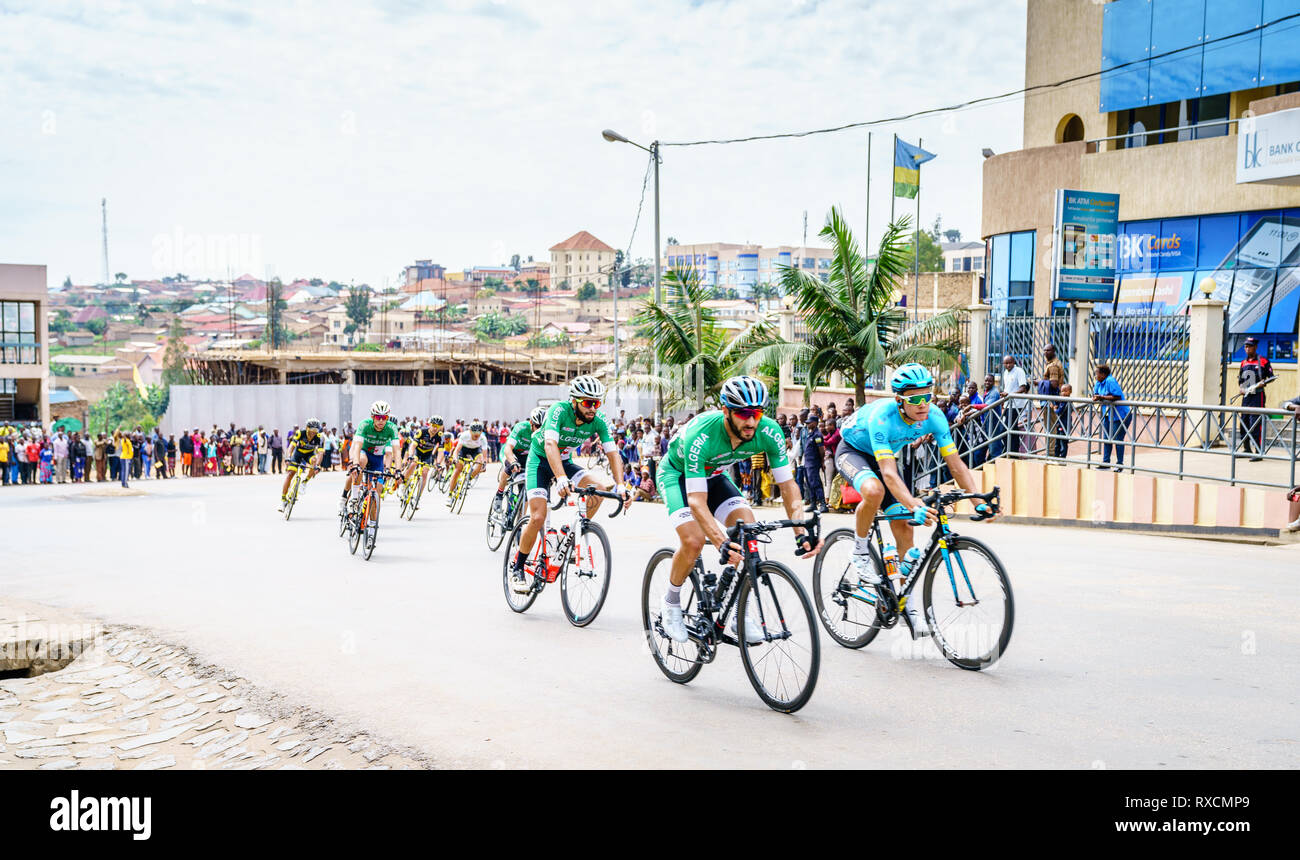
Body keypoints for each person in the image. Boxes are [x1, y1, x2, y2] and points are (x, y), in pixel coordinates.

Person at [654, 376, 819, 644]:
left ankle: (741, 613)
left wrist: (800, 531)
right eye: (743, 414)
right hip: (678, 476)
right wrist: (720, 542)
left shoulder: (769, 431)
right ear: (726, 411)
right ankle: (671, 602)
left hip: (716, 476)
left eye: (756, 413)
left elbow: (788, 486)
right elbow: (697, 500)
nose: (751, 421)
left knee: (748, 531)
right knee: (694, 540)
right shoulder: (702, 434)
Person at [835, 363, 995, 633]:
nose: (923, 404)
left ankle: (903, 603)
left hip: (886, 457)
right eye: (915, 399)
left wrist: (978, 500)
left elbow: (956, 465)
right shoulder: (882, 417)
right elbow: (887, 472)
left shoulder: (934, 416)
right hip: (853, 451)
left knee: (905, 531)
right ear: (899, 401)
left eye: (928, 396)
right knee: (875, 491)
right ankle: (860, 551)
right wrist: (913, 504)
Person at [508, 376, 632, 593]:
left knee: (600, 489)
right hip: (540, 461)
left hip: (564, 462)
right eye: (587, 402)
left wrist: (621, 485)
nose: (593, 408)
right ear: (574, 401)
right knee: (537, 517)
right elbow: (549, 444)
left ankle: (569, 534)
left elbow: (612, 452)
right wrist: (560, 478)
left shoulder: (598, 420)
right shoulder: (559, 410)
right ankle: (518, 567)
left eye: (597, 402)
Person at [340, 401, 399, 521]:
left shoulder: (391, 428)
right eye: (378, 417)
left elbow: (395, 452)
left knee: (377, 491)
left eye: (384, 418)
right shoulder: (365, 425)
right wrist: (355, 464)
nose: (381, 421)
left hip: (377, 459)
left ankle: (372, 526)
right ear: (372, 417)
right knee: (359, 464)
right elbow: (356, 447)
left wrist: (397, 470)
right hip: (362, 451)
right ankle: (353, 498)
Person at [492, 407, 544, 515]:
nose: (539, 430)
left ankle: (519, 526)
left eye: (542, 427)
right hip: (511, 452)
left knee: (525, 493)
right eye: (537, 426)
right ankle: (499, 494)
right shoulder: (521, 427)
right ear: (531, 422)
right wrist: (512, 461)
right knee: (509, 467)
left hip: (526, 457)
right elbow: (508, 448)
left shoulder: (544, 433)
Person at [1238, 336, 1274, 462]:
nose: (1247, 349)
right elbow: (1241, 381)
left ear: (1255, 347)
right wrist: (1241, 389)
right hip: (1246, 397)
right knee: (1244, 422)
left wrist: (1264, 382)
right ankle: (1246, 448)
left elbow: (1271, 377)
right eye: (1246, 346)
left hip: (1258, 396)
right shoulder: (1243, 363)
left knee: (1255, 423)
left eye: (1250, 346)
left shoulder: (1263, 361)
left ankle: (1258, 451)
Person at [280, 419, 324, 511]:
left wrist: (318, 465)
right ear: (307, 428)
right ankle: (283, 500)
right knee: (291, 473)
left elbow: (320, 453)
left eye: (315, 430)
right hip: (298, 454)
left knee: (314, 461)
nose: (313, 433)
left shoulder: (319, 437)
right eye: (312, 430)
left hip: (309, 455)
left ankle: (304, 482)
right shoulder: (300, 433)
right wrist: (288, 457)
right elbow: (291, 447)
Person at [1092, 363, 1130, 469]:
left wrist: (1102, 397)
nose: (1095, 376)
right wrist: (1096, 397)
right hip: (1108, 415)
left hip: (1120, 415)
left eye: (1097, 374)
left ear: (1103, 374)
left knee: (1118, 438)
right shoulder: (1099, 383)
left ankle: (1119, 464)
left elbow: (1117, 396)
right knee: (1106, 438)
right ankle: (1106, 462)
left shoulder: (1110, 381)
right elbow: (1095, 394)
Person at [445, 421, 488, 508]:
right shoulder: (465, 435)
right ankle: (450, 495)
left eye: (478, 432)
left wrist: (484, 464)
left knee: (480, 462)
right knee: (457, 470)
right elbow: (457, 450)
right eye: (474, 432)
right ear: (470, 431)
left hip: (475, 450)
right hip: (463, 450)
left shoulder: (483, 438)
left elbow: (484, 455)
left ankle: (468, 479)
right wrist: (454, 458)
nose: (476, 434)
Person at [1001, 355, 1029, 454]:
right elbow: (1007, 388)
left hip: (1017, 405)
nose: (1008, 365)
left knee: (1010, 428)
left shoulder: (1019, 371)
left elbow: (1023, 388)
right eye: (1006, 363)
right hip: (1008, 405)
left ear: (1014, 362)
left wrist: (1010, 395)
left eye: (1010, 363)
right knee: (1005, 429)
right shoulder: (1005, 373)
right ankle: (1010, 451)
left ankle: (1013, 452)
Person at [802, 416, 826, 512]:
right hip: (807, 463)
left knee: (816, 483)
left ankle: (823, 504)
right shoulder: (810, 434)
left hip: (813, 463)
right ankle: (813, 504)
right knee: (809, 484)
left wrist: (822, 461)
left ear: (815, 423)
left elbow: (821, 450)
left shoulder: (817, 435)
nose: (808, 425)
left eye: (810, 423)